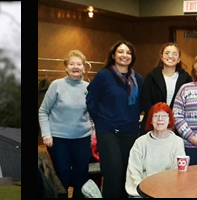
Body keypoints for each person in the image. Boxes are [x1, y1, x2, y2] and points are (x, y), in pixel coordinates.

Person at [86, 40, 143, 198]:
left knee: (127, 171)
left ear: (132, 57)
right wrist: (101, 120)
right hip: (108, 131)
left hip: (130, 131)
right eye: (120, 52)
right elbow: (91, 101)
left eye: (128, 52)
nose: (124, 55)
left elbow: (140, 103)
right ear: (113, 55)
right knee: (113, 171)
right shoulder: (104, 75)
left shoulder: (137, 78)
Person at [38, 50, 93, 198]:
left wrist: (92, 130)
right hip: (59, 139)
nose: (76, 67)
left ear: (84, 67)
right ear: (66, 67)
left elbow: (92, 112)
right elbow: (43, 111)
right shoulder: (56, 85)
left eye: (79, 64)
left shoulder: (88, 87)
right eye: (72, 64)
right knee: (62, 174)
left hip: (82, 138)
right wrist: (46, 134)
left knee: (81, 175)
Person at [125, 102, 186, 198]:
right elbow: (134, 171)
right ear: (150, 120)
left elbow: (176, 171)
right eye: (156, 116)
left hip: (168, 190)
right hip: (141, 191)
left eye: (164, 116)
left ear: (170, 120)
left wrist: (162, 190)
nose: (160, 119)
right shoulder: (140, 142)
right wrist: (145, 189)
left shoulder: (177, 142)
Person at [139, 43, 192, 134]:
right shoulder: (152, 76)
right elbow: (145, 100)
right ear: (161, 56)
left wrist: (172, 120)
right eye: (167, 53)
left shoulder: (186, 78)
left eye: (174, 54)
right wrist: (159, 118)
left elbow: (189, 103)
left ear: (179, 59)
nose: (170, 56)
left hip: (176, 126)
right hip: (154, 123)